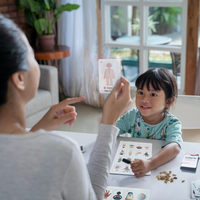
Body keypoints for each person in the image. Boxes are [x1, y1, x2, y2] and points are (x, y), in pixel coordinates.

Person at [0, 15, 132, 200]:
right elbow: (93, 195)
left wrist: (39, 129)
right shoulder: (61, 153)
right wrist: (109, 122)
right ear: (19, 79)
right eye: (31, 54)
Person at [116, 68, 183, 178]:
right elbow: (111, 132)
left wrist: (150, 163)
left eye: (153, 94)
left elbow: (175, 147)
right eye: (141, 92)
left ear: (168, 101)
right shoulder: (132, 116)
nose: (144, 99)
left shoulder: (172, 123)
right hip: (135, 171)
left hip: (159, 170)